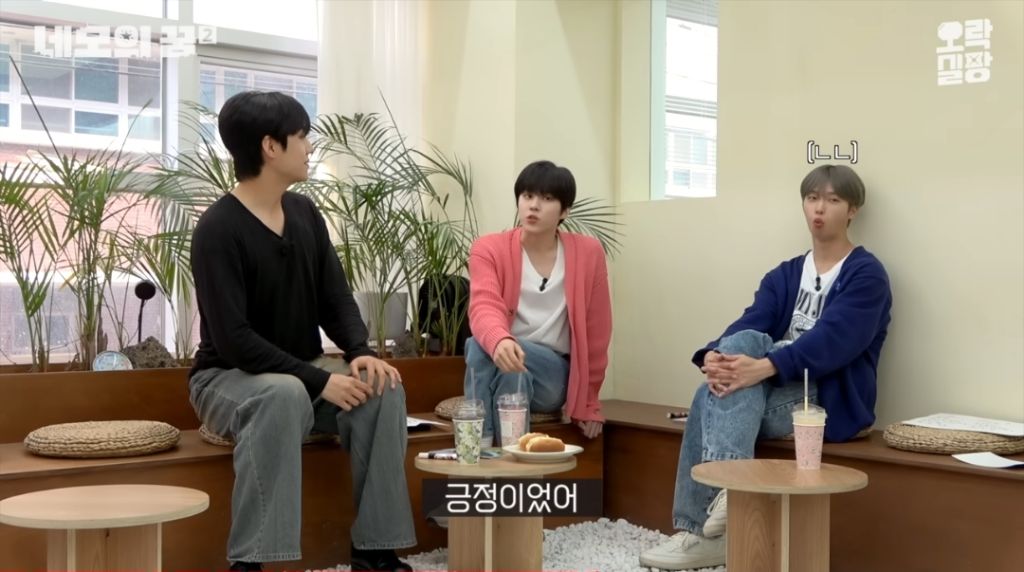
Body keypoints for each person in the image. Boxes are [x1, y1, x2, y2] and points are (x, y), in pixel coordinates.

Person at [188, 91, 415, 572]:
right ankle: (250, 562)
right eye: (302, 136)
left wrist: (359, 351)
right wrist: (319, 380)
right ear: (270, 147)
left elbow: (335, 296)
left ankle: (375, 550)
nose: (310, 147)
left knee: (382, 389)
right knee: (282, 393)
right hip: (226, 379)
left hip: (302, 375)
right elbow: (234, 341)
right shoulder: (218, 229)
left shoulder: (306, 213)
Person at [639, 164, 892, 570]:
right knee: (732, 357)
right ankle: (722, 505)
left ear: (852, 210)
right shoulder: (786, 274)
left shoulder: (866, 275)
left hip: (825, 400)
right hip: (773, 387)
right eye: (812, 198)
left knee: (708, 395)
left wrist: (764, 367)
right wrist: (714, 355)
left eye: (832, 200)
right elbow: (751, 322)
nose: (819, 209)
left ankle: (705, 527)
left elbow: (833, 343)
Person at [464, 160, 613, 446]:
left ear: (565, 211)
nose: (533, 205)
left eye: (546, 198)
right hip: (505, 364)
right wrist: (499, 340)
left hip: (553, 376)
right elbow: (484, 305)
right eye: (528, 196)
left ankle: (476, 442)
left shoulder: (588, 253)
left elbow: (598, 332)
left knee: (476, 344)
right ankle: (511, 455)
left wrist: (590, 402)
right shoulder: (489, 249)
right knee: (511, 377)